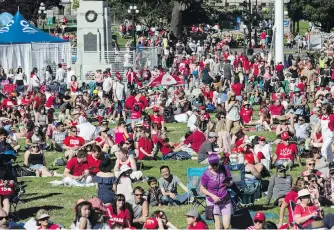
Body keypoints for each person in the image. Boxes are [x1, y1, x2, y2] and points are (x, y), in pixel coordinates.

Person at [200, 154, 233, 230]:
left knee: (227, 226)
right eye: (212, 165)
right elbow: (202, 189)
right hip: (213, 201)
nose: (214, 166)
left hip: (225, 199)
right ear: (209, 164)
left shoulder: (224, 169)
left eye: (216, 164)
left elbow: (231, 181)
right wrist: (212, 196)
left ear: (219, 162)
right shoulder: (206, 174)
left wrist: (229, 183)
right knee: (218, 226)